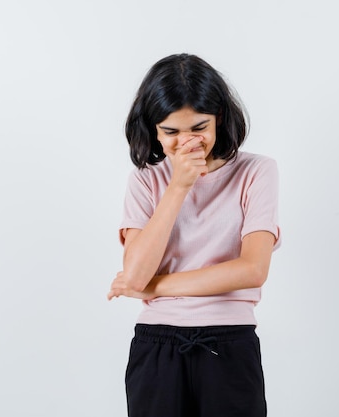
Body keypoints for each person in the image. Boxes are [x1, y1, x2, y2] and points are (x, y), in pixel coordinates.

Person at [107, 53, 281, 417]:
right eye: (171, 132)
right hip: (157, 346)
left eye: (199, 127)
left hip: (229, 344)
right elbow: (136, 272)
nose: (187, 142)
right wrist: (178, 186)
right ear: (153, 129)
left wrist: (153, 288)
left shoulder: (256, 172)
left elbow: (252, 270)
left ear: (220, 119)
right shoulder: (145, 181)